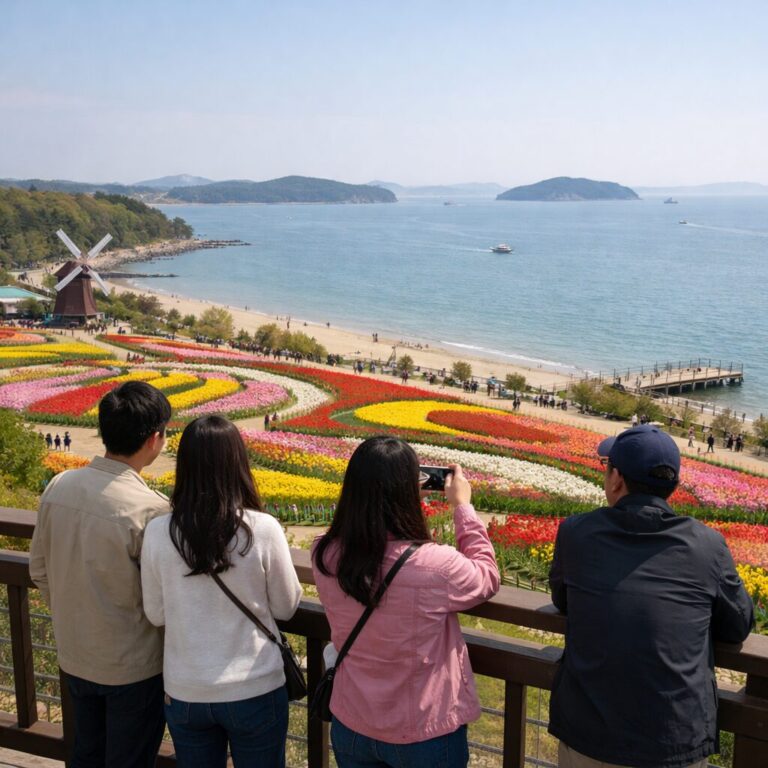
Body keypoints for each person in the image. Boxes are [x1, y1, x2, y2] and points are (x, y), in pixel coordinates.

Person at [549, 424, 754, 768]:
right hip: (673, 742)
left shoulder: (576, 533)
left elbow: (562, 598)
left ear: (616, 480)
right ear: (671, 486)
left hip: (589, 738)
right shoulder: (707, 546)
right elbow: (738, 625)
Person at [312, 436, 500, 768]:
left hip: (352, 720)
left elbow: (365, 543)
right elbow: (486, 577)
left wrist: (399, 502)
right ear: (406, 492)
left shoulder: (324, 554)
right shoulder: (436, 565)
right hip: (422, 731)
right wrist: (462, 508)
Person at [141, 415, 302, 768]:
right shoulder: (261, 529)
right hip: (255, 688)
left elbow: (155, 614)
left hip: (186, 691)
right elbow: (286, 607)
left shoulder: (158, 532)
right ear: (238, 462)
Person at [30, 381, 172, 768]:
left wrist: (73, 609)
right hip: (133, 667)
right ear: (155, 439)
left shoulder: (59, 486)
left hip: (75, 654)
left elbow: (38, 568)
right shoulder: (152, 511)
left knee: (85, 755)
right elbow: (162, 602)